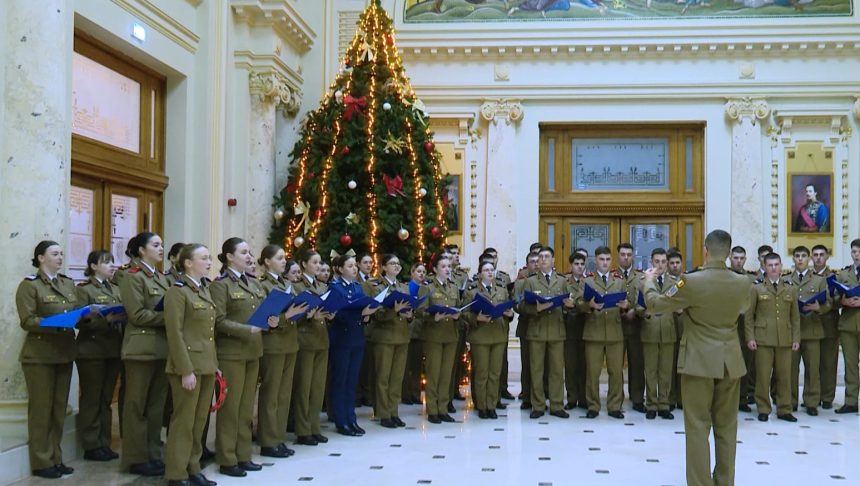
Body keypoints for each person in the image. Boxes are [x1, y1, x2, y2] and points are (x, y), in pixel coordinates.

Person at [642, 229, 752, 486]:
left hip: (698, 361)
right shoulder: (743, 283)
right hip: (730, 361)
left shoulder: (691, 282)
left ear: (705, 250)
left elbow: (656, 304)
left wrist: (648, 282)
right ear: (728, 253)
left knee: (697, 426)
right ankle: (724, 481)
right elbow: (743, 308)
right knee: (727, 427)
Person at [16, 241, 78, 479]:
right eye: (54, 254)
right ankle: (42, 461)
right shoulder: (30, 285)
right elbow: (27, 320)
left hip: (64, 352)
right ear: (41, 258)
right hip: (40, 355)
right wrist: (53, 323)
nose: (60, 257)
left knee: (58, 409)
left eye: (62, 253)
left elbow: (75, 310)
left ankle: (56, 457)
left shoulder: (67, 283)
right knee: (41, 410)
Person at [210, 238, 271, 477]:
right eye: (243, 252)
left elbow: (260, 313)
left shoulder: (253, 283)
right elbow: (218, 321)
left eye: (249, 252)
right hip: (231, 353)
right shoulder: (221, 285)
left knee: (246, 408)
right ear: (229, 257)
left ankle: (243, 454)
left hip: (252, 351)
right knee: (231, 408)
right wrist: (248, 330)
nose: (249, 256)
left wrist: (270, 320)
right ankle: (227, 457)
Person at [163, 243, 218, 486]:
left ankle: (193, 466)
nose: (208, 262)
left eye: (208, 258)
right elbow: (175, 334)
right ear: (188, 263)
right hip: (187, 367)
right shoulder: (178, 291)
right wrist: (185, 369)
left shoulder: (203, 289)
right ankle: (176, 473)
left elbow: (207, 332)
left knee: (198, 422)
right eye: (204, 258)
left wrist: (214, 364)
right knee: (183, 421)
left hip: (205, 364)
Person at [119, 232, 170, 477]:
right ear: (141, 250)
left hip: (162, 349)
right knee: (136, 406)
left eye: (162, 245)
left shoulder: (162, 277)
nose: (161, 248)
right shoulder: (133, 276)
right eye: (156, 245)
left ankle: (153, 453)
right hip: (140, 349)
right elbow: (137, 314)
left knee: (155, 407)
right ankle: (135, 458)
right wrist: (170, 317)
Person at [257, 247, 307, 458]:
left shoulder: (287, 284)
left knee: (284, 394)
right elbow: (267, 318)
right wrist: (288, 315)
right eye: (279, 258)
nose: (284, 261)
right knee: (272, 393)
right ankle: (268, 441)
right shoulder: (263, 285)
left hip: (289, 343)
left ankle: (278, 438)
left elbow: (295, 311)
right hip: (273, 345)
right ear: (267, 262)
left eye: (285, 258)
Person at [75, 250, 125, 462]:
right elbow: (80, 320)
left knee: (106, 399)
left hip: (112, 349)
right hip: (91, 350)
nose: (111, 266)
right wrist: (107, 319)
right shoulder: (84, 289)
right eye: (106, 262)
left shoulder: (115, 288)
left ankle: (104, 442)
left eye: (112, 262)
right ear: (93, 266)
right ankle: (91, 444)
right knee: (92, 398)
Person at [745, 252, 800, 422]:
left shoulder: (790, 288)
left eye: (776, 265)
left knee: (784, 376)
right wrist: (750, 338)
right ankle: (763, 408)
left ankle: (784, 408)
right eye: (770, 265)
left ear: (781, 266)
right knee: (762, 376)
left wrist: (796, 338)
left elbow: (795, 317)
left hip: (785, 338)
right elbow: (749, 316)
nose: (774, 268)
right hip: (763, 339)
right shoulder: (756, 287)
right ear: (765, 267)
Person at [518, 246, 572, 419]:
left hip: (556, 330)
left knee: (556, 369)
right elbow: (521, 306)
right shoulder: (530, 281)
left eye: (546, 257)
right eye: (540, 257)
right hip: (537, 330)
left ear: (553, 260)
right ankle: (538, 405)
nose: (542, 260)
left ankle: (556, 404)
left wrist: (568, 305)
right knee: (536, 369)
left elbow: (566, 302)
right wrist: (536, 308)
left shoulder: (562, 281)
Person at [577, 246, 630, 419]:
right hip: (594, 331)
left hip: (615, 332)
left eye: (608, 259)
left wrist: (625, 307)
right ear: (596, 261)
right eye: (601, 259)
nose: (605, 263)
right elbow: (578, 303)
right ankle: (593, 405)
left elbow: (627, 302)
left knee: (616, 371)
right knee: (593, 372)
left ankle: (615, 405)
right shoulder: (588, 281)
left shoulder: (619, 281)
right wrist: (589, 305)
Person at [328, 254, 378, 436]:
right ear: (340, 269)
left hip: (357, 338)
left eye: (355, 266)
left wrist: (367, 314)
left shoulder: (358, 286)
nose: (354, 269)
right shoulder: (334, 287)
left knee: (352, 381)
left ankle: (351, 418)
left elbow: (360, 307)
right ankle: (341, 420)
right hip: (341, 338)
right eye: (350, 266)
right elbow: (335, 313)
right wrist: (358, 313)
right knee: (340, 380)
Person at [292, 249, 334, 445]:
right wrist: (307, 316)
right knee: (304, 387)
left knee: (317, 387)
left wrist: (330, 314)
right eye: (314, 262)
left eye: (320, 262)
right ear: (304, 264)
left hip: (321, 339)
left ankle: (314, 426)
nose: (318, 266)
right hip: (305, 340)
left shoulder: (323, 286)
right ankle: (303, 429)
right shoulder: (297, 286)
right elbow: (292, 315)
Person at [465, 260, 515, 419]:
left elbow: (508, 310)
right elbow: (463, 312)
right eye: (486, 270)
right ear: (480, 274)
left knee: (495, 373)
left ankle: (492, 405)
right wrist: (476, 317)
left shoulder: (501, 290)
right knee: (481, 373)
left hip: (498, 335)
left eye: (491, 270)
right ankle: (481, 405)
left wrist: (509, 315)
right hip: (480, 335)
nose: (489, 272)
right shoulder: (472, 291)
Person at [369, 254, 414, 428]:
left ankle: (394, 411)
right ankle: (383, 412)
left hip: (402, 336)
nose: (396, 266)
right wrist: (393, 310)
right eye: (392, 263)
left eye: (398, 263)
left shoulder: (403, 287)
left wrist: (410, 315)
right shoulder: (377, 287)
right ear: (383, 267)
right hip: (384, 337)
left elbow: (410, 310)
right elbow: (376, 313)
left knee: (397, 377)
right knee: (383, 376)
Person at [418, 253, 461, 424]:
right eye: (443, 267)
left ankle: (443, 408)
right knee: (434, 373)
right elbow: (420, 311)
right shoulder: (427, 287)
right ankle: (433, 410)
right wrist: (432, 318)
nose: (447, 270)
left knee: (446, 374)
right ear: (435, 269)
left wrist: (459, 314)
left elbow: (459, 307)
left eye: (449, 267)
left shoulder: (453, 287)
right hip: (433, 335)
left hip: (450, 334)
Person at [788, 245, 829, 416]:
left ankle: (811, 402)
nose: (800, 259)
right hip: (792, 333)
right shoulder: (786, 280)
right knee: (791, 369)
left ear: (809, 259)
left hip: (812, 329)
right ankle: (791, 401)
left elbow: (829, 304)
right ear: (793, 259)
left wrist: (819, 307)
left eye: (803, 256)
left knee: (812, 369)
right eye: (797, 256)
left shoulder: (819, 280)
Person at [639, 248, 677, 420]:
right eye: (657, 262)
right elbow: (637, 305)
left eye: (663, 262)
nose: (660, 265)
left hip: (668, 330)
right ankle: (651, 405)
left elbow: (679, 302)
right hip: (650, 329)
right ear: (651, 262)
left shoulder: (676, 282)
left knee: (665, 370)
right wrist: (644, 312)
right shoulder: (643, 281)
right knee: (651, 369)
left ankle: (664, 404)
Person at [616, 243, 645, 413]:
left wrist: (635, 310)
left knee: (637, 364)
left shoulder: (640, 277)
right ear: (618, 256)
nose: (626, 257)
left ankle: (637, 398)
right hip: (616, 327)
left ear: (633, 256)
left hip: (636, 327)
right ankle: (616, 398)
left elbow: (646, 300)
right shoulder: (612, 276)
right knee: (615, 365)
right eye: (622, 254)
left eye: (628, 254)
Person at [811, 244, 839, 409]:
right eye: (815, 255)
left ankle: (827, 397)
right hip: (811, 324)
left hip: (829, 323)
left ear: (827, 257)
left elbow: (837, 298)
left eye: (822, 254)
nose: (819, 258)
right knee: (813, 364)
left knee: (828, 363)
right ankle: (813, 396)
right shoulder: (807, 276)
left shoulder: (834, 277)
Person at [729, 246, 757, 411]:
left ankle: (742, 399)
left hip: (745, 327)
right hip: (728, 326)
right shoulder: (724, 277)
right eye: (735, 258)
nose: (738, 261)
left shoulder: (751, 280)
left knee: (745, 365)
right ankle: (728, 399)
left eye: (741, 258)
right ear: (730, 258)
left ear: (745, 260)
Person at [835, 238, 860, 414]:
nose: (856, 255)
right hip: (849, 325)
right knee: (850, 365)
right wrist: (843, 300)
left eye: (859, 252)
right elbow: (834, 299)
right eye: (854, 252)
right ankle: (851, 401)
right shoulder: (843, 274)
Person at [515, 251, 539, 408]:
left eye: (539, 260)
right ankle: (527, 396)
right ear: (527, 264)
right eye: (532, 261)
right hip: (527, 325)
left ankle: (542, 395)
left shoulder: (548, 280)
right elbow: (517, 303)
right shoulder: (521, 282)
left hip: (545, 326)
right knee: (528, 364)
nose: (536, 264)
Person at [563, 252, 587, 410]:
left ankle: (584, 398)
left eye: (582, 264)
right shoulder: (564, 283)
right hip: (569, 328)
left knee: (585, 366)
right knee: (570, 365)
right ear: (571, 266)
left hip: (586, 326)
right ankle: (572, 398)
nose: (579, 266)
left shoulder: (589, 282)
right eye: (576, 264)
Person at [401, 262, 427, 405]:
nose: (421, 274)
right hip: (407, 329)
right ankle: (405, 394)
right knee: (406, 365)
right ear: (412, 273)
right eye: (418, 271)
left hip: (420, 330)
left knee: (417, 366)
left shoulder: (425, 289)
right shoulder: (406, 287)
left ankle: (416, 393)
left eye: (423, 272)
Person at [666, 249, 685, 410]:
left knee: (684, 365)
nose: (674, 266)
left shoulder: (688, 280)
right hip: (669, 326)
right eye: (671, 263)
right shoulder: (664, 281)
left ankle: (682, 398)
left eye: (677, 263)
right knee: (670, 366)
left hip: (686, 328)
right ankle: (670, 398)